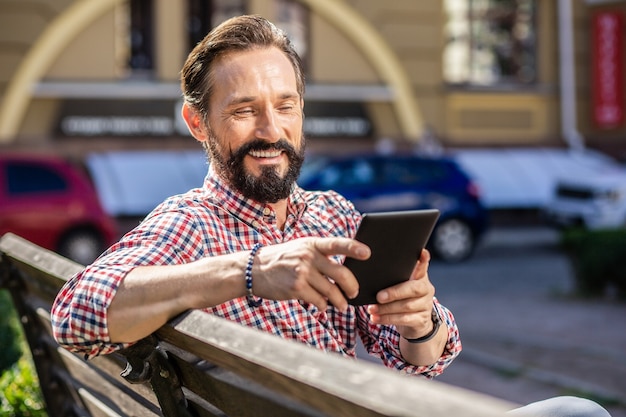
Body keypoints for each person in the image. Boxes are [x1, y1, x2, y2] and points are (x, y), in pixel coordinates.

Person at [51, 14, 611, 417]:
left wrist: (419, 322)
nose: (271, 130)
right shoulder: (191, 224)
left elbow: (418, 361)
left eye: (286, 105)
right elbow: (73, 316)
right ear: (198, 124)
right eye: (244, 111)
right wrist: (249, 270)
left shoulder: (333, 213)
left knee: (572, 410)